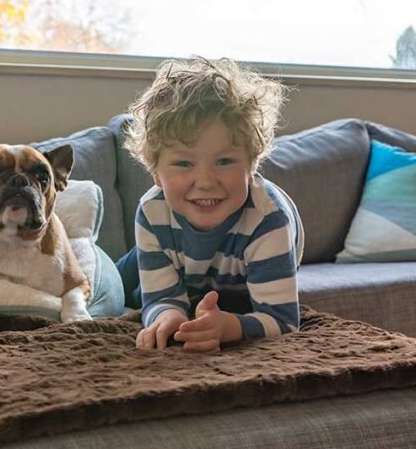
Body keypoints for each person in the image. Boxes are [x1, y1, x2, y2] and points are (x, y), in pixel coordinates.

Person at [116, 57, 304, 352]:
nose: (205, 181)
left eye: (225, 161)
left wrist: (230, 326)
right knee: (120, 286)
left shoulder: (269, 220)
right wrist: (169, 317)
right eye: (183, 163)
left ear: (252, 165)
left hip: (243, 263)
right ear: (156, 174)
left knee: (231, 302)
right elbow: (160, 298)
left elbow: (283, 320)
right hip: (180, 254)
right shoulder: (152, 211)